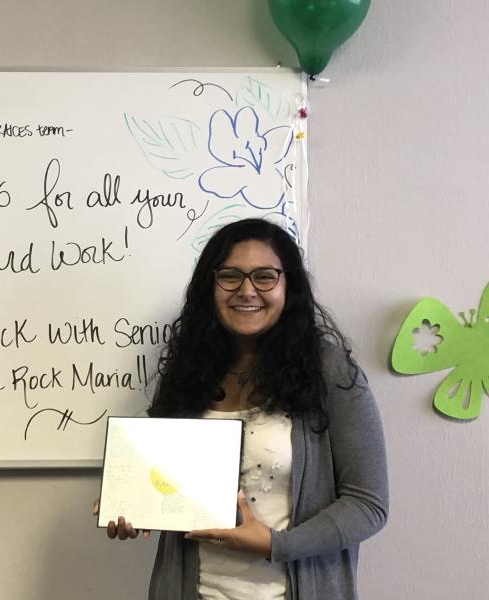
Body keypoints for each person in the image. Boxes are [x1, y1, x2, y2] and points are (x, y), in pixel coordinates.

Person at [95, 218, 388, 600]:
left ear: (289, 286)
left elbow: (368, 504)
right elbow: (164, 478)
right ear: (210, 285)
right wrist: (133, 505)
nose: (247, 291)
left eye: (264, 276)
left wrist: (274, 543)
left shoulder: (328, 370)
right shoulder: (188, 370)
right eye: (230, 276)